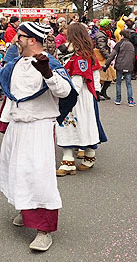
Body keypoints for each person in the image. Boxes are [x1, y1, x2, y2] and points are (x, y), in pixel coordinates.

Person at [0, 21, 77, 252]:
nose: (15, 39)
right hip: (17, 126)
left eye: (19, 36)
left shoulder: (51, 63)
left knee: (39, 176)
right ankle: (26, 211)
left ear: (31, 40)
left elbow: (65, 91)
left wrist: (47, 73)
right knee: (17, 171)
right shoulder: (16, 63)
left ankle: (44, 230)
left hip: (38, 127)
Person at [55, 23, 107, 176]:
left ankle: (80, 156)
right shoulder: (71, 52)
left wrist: (67, 94)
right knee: (76, 123)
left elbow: (79, 79)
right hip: (78, 93)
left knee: (78, 123)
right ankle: (76, 157)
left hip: (77, 94)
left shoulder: (81, 55)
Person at [104, 30, 136, 106]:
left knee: (118, 82)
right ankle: (130, 100)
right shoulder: (131, 45)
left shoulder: (119, 44)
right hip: (129, 66)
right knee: (129, 83)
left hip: (120, 65)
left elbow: (112, 55)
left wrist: (106, 64)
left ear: (122, 36)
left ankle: (118, 99)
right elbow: (133, 57)